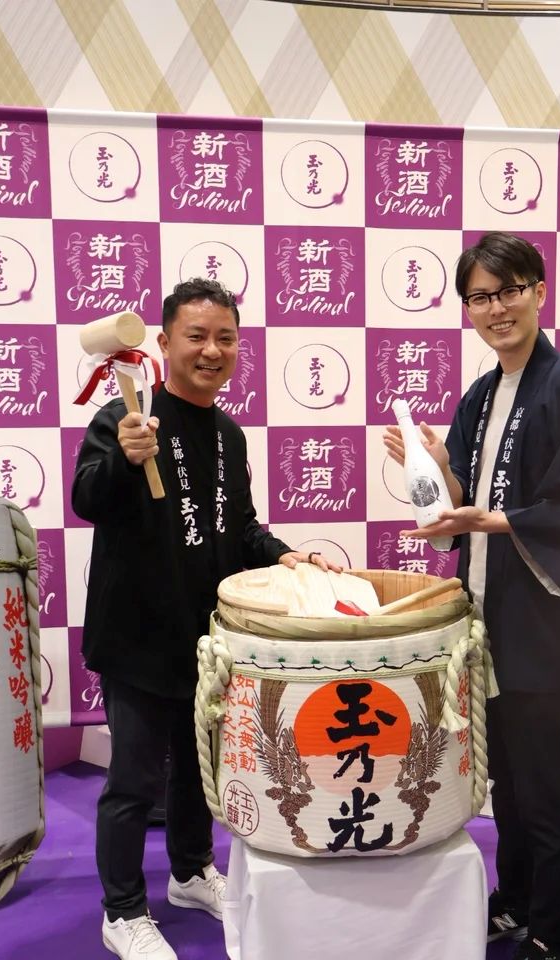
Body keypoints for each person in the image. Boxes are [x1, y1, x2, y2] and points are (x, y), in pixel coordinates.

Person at [73, 277, 340, 960]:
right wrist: (126, 461)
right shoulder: (127, 418)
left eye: (225, 338)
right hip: (136, 637)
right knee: (134, 782)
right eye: (196, 336)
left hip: (206, 639)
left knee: (198, 771)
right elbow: (87, 500)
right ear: (165, 343)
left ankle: (191, 873)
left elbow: (241, 528)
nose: (211, 350)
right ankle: (122, 911)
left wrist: (285, 555)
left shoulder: (228, 435)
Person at [384, 232, 560, 960]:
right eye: (480, 297)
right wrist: (435, 466)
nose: (496, 308)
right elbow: (461, 497)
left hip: (542, 628)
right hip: (488, 617)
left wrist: (490, 519)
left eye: (510, 289)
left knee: (545, 786)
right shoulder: (482, 395)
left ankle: (557, 932)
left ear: (539, 291)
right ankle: (516, 900)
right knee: (508, 783)